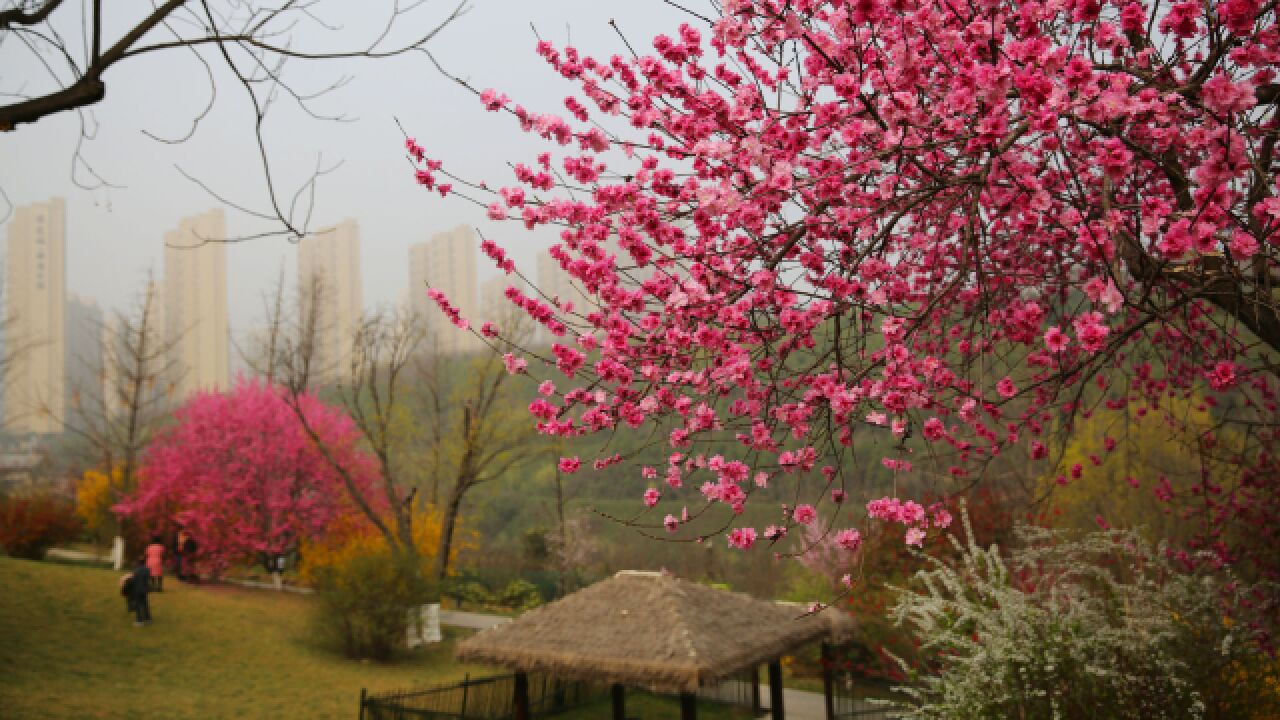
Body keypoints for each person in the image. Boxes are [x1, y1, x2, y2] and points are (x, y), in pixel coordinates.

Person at [127, 557, 152, 626]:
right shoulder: (147, 569)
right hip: (145, 589)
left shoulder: (136, 570)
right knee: (145, 604)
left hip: (137, 589)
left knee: (138, 605)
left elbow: (132, 580)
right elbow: (148, 578)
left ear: (138, 562)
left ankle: (139, 620)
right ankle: (148, 619)